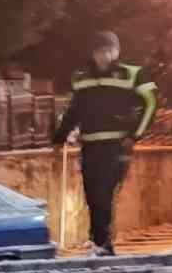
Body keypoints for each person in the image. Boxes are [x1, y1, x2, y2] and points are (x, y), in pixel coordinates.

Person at [51, 31, 159, 256]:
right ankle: (101, 244)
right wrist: (60, 136)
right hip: (90, 146)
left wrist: (134, 135)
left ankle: (101, 242)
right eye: (100, 51)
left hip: (116, 146)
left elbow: (151, 103)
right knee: (92, 195)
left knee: (104, 194)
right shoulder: (81, 77)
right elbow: (74, 109)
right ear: (93, 53)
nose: (104, 55)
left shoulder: (133, 74)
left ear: (117, 51)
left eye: (109, 50)